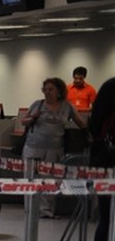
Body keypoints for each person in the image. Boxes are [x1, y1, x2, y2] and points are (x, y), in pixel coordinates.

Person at [21, 77, 86, 218]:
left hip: (54, 149)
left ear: (59, 91)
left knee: (50, 180)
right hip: (33, 147)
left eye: (51, 89)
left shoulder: (67, 107)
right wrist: (33, 117)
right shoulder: (37, 105)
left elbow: (81, 123)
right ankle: (30, 210)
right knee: (30, 179)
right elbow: (23, 121)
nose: (47, 92)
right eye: (45, 89)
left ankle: (46, 211)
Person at [89, 77, 115, 241]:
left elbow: (94, 124)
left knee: (106, 216)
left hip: (105, 160)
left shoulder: (108, 86)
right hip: (109, 160)